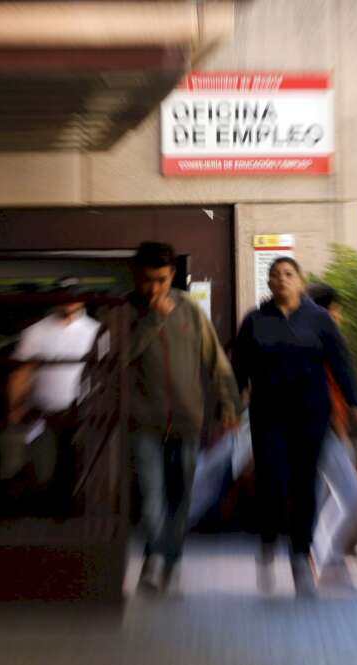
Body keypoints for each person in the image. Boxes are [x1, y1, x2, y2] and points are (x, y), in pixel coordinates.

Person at [232, 258, 357, 596]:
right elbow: (238, 367)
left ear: (300, 279)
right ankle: (267, 542)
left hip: (310, 416)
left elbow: (341, 363)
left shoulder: (320, 320)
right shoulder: (255, 321)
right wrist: (231, 404)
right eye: (275, 276)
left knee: (304, 487)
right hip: (268, 416)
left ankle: (299, 558)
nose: (281, 280)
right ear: (269, 283)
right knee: (272, 483)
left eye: (288, 274)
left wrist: (356, 406)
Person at [125, 242, 242, 593]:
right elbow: (117, 358)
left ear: (173, 274)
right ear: (136, 275)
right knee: (151, 498)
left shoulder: (190, 310)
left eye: (161, 279)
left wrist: (229, 405)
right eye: (147, 280)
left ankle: (171, 560)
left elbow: (216, 361)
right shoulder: (124, 312)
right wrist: (152, 319)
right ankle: (154, 560)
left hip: (189, 421)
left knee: (182, 496)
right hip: (144, 422)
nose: (154, 288)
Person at [7, 276, 101, 516]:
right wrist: (15, 409)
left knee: (78, 468)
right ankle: (44, 520)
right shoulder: (36, 332)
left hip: (82, 413)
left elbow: (105, 375)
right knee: (44, 469)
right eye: (64, 295)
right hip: (44, 413)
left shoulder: (97, 332)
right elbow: (21, 373)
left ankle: (74, 520)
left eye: (73, 295)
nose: (69, 301)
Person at [305, 283, 357, 589]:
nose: (340, 314)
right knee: (353, 500)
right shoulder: (321, 339)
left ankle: (317, 555)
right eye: (336, 308)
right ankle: (326, 557)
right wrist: (351, 414)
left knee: (320, 498)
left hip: (322, 430)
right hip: (325, 431)